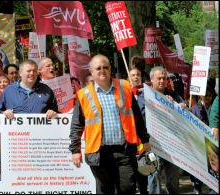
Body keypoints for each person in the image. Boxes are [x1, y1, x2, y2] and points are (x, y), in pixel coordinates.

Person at [69, 54, 151, 194]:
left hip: (124, 150)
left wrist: (144, 139)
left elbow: (137, 116)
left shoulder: (125, 87)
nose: (102, 71)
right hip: (98, 153)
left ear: (110, 68)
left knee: (127, 188)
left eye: (105, 67)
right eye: (98, 68)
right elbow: (77, 125)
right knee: (105, 190)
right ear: (91, 72)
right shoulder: (84, 95)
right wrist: (75, 150)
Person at [138, 66, 187, 194]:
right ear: (151, 79)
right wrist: (162, 104)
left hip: (172, 142)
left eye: (164, 78)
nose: (161, 81)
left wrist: (180, 106)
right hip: (153, 142)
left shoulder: (173, 95)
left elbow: (185, 111)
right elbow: (140, 114)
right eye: (159, 78)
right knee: (154, 173)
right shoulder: (144, 96)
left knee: (173, 176)